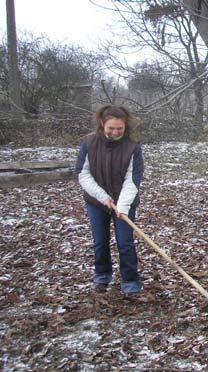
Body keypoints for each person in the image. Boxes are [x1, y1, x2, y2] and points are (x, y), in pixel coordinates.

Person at [75, 105, 145, 294]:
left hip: (124, 201)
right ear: (102, 124)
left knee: (125, 242)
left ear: (125, 126)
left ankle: (130, 281)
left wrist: (121, 206)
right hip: (96, 202)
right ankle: (102, 276)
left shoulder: (132, 147)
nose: (115, 132)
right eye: (111, 128)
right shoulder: (89, 143)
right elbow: (82, 174)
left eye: (119, 128)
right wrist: (102, 196)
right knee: (100, 241)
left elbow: (133, 180)